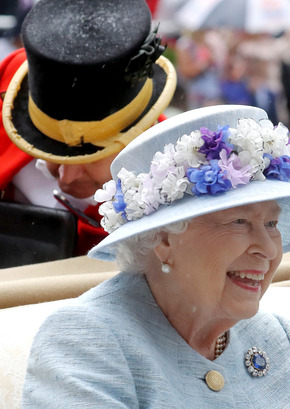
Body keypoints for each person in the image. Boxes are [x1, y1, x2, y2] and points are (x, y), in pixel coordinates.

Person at [21, 105, 290, 409]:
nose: (269, 249)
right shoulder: (87, 340)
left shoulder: (272, 335)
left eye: (272, 223)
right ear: (164, 239)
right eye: (240, 221)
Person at [0, 0, 176, 256]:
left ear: (143, 131)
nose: (65, 178)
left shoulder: (177, 185)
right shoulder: (9, 86)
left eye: (90, 155)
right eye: (47, 148)